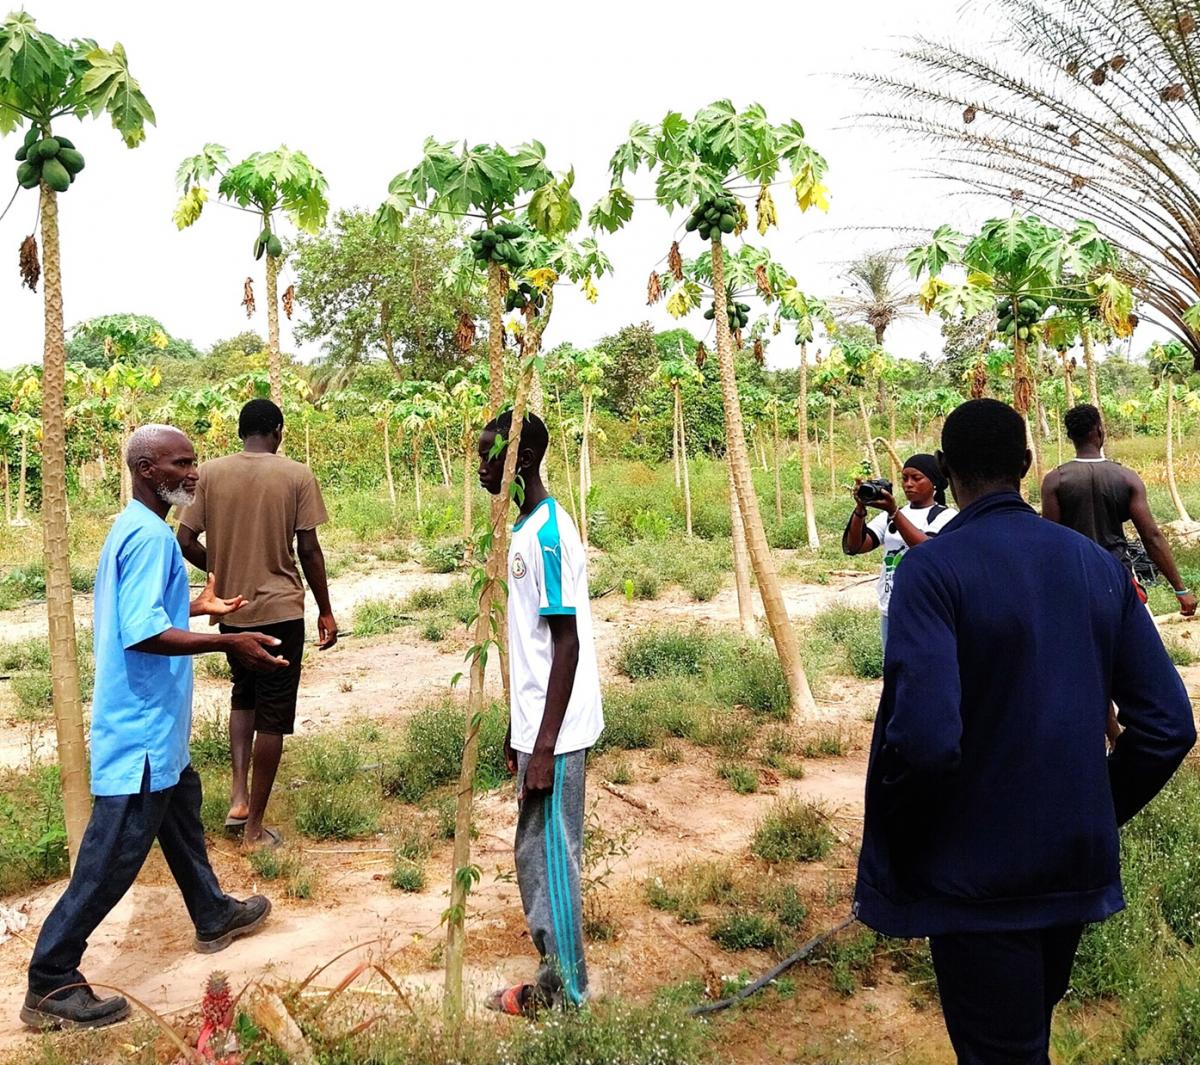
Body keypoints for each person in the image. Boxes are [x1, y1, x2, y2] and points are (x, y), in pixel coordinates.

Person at [854, 399, 1195, 1064]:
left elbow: (924, 742)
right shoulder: (1100, 569)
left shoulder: (932, 571)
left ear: (948, 473)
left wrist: (913, 836)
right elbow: (1168, 726)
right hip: (1068, 862)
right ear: (1027, 465)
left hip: (976, 877)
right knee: (1023, 1034)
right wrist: (1094, 805)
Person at [23, 425, 287, 1031]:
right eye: (181, 463)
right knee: (111, 857)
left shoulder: (138, 527)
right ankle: (51, 979)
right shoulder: (147, 537)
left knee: (183, 814)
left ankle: (212, 913)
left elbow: (143, 608)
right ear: (147, 468)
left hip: (157, 730)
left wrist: (199, 606)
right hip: (139, 733)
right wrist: (229, 643)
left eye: (193, 462)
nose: (194, 473)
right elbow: (140, 631)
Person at [476, 409, 603, 1016]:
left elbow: (567, 642)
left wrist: (547, 743)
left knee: (552, 857)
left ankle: (567, 995)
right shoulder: (524, 530)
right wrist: (518, 726)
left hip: (559, 732)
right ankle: (558, 978)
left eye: (488, 455)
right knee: (533, 851)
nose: (480, 467)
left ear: (521, 459)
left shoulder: (547, 535)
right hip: (539, 725)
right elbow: (531, 647)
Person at [178, 399, 337, 849]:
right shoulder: (296, 475)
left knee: (243, 694)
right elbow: (309, 550)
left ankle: (239, 797)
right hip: (280, 610)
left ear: (241, 432)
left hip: (231, 610)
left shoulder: (209, 474)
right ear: (278, 431)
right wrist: (325, 609)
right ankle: (254, 830)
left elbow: (185, 538)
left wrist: (221, 569)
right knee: (274, 714)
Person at [1041, 403, 1197, 617]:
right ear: (1099, 431)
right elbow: (1151, 537)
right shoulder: (1126, 478)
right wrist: (1180, 589)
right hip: (1118, 579)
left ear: (1070, 436)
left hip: (1075, 582)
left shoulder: (1055, 481)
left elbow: (1049, 543)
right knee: (1138, 647)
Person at [841, 454, 957, 649]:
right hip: (891, 607)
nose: (908, 484)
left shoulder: (947, 516)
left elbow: (927, 550)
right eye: (904, 478)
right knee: (893, 672)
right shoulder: (893, 515)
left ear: (935, 483)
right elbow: (855, 546)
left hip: (925, 610)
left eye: (916, 478)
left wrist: (894, 513)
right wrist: (860, 509)